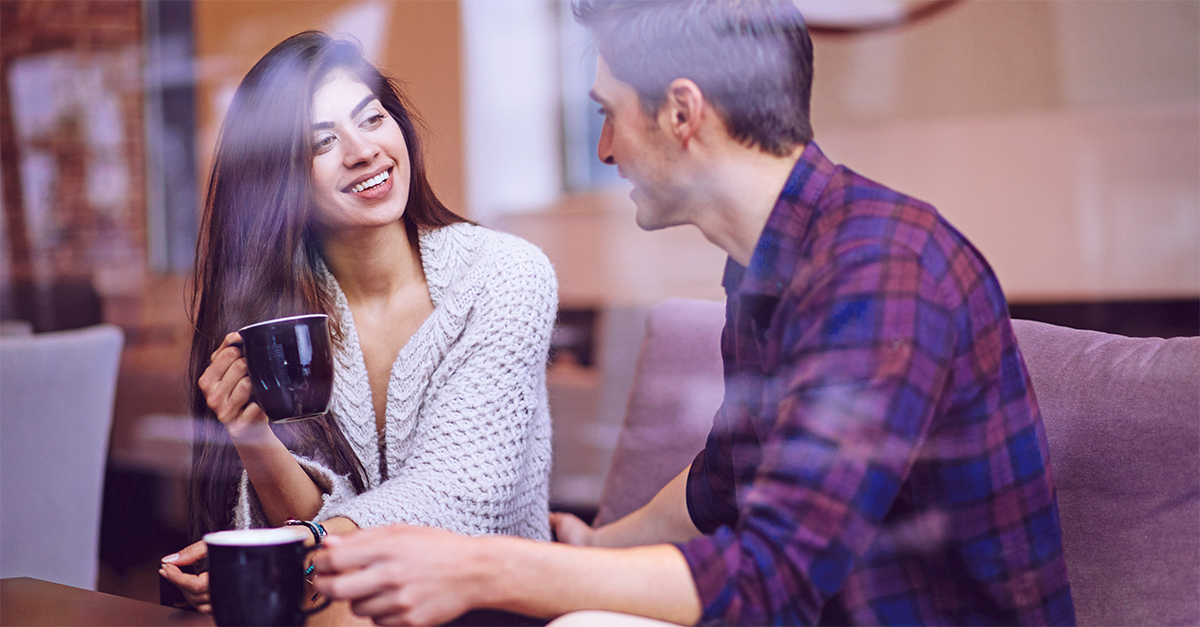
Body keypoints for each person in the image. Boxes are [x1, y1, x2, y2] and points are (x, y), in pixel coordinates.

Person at [311, 1, 1076, 625]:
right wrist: (595, 549)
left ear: (683, 112)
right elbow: (721, 482)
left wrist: (483, 566)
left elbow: (772, 580)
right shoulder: (772, 262)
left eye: (610, 114)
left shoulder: (880, 270)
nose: (605, 148)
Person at [158, 31, 557, 614]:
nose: (363, 150)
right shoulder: (280, 323)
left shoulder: (505, 275)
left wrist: (299, 552)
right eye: (322, 144)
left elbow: (460, 495)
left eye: (371, 119)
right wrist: (251, 436)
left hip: (491, 604)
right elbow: (311, 522)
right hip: (347, 599)